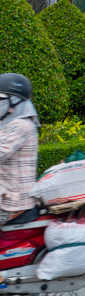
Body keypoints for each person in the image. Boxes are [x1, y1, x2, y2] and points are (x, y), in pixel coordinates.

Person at [0, 73, 40, 219]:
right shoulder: (9, 123)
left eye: (0, 98)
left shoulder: (21, 125)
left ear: (14, 101)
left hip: (13, 204)